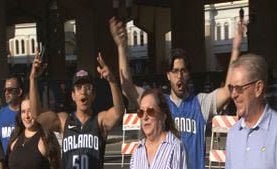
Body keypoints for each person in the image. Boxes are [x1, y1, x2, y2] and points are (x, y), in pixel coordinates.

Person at [109, 16, 244, 169]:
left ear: (188, 74)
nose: (179, 76)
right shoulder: (159, 103)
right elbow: (128, 88)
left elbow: (228, 90)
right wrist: (121, 47)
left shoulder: (200, 103)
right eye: (175, 71)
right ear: (168, 75)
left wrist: (235, 49)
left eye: (183, 71)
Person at [29, 52, 124, 169]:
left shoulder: (99, 120)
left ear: (93, 95)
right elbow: (36, 117)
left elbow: (119, 112)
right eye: (78, 88)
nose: (83, 92)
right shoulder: (64, 120)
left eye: (88, 88)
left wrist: (112, 81)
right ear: (73, 96)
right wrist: (33, 79)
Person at [225, 54, 277, 169]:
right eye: (231, 88)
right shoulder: (233, 134)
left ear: (258, 88)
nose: (233, 95)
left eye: (238, 88)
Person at [130, 88, 187, 169]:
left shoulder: (174, 147)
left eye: (150, 111)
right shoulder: (137, 150)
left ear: (163, 116)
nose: (145, 117)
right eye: (141, 112)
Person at [5, 95, 60, 169]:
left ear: (38, 112)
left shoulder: (47, 137)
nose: (26, 116)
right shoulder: (15, 136)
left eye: (30, 111)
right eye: (23, 112)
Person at [0, 75, 24, 153]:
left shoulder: (26, 114)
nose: (6, 93)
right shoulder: (0, 114)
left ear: (19, 92)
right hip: (6, 163)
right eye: (5, 90)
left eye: (10, 90)